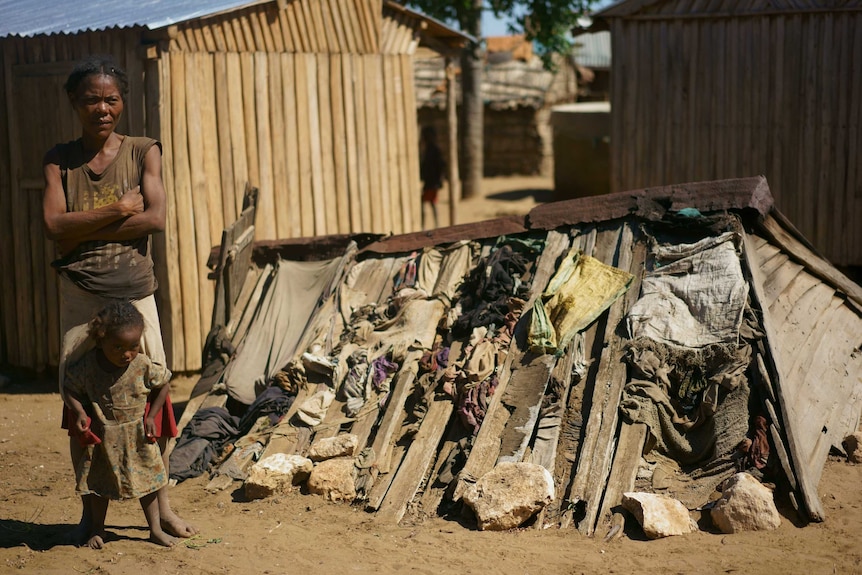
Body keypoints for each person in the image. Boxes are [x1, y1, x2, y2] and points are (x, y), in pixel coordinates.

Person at [42, 55, 196, 544]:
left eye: (111, 99)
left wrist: (78, 229)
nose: (102, 108)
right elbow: (51, 227)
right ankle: (92, 518)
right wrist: (117, 208)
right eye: (91, 99)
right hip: (81, 298)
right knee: (82, 409)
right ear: (74, 102)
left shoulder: (144, 150)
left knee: (156, 402)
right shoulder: (58, 160)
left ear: (122, 102)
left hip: (135, 296)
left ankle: (162, 508)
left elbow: (154, 219)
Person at [64, 301, 176, 548]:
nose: (126, 354)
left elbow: (164, 383)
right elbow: (69, 387)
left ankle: (155, 529)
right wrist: (80, 411)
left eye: (133, 346)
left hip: (138, 438)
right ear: (100, 339)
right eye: (118, 347)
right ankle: (97, 530)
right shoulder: (88, 366)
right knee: (98, 487)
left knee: (148, 485)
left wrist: (150, 416)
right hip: (104, 439)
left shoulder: (142, 365)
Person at [419, 125, 446, 229]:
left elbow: (441, 166)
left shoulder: (434, 150)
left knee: (431, 202)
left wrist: (439, 180)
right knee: (429, 202)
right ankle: (432, 224)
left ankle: (434, 224)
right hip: (429, 181)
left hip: (432, 182)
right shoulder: (429, 149)